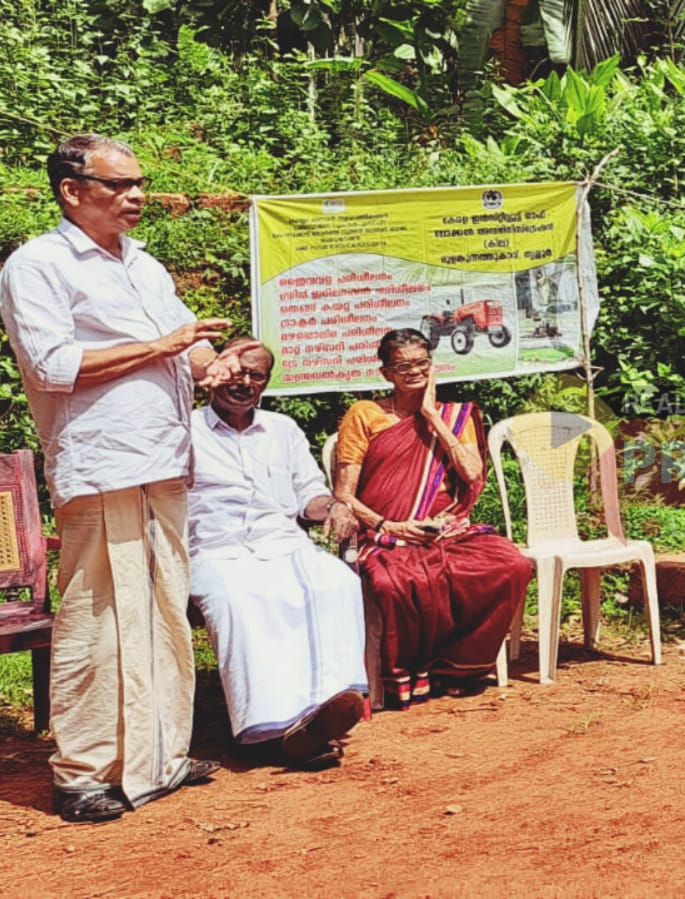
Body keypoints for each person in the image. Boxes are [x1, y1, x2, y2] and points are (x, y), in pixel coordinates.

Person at [0, 135, 253, 823]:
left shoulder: (142, 263)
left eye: (140, 182)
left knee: (164, 605)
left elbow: (185, 340)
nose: (137, 195)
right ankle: (84, 772)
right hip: (102, 460)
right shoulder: (39, 265)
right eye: (119, 184)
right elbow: (51, 364)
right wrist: (162, 347)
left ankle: (159, 755)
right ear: (71, 190)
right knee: (99, 614)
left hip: (164, 459)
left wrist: (210, 363)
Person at [188, 340, 368, 766]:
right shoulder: (184, 429)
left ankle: (324, 707)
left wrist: (334, 507)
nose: (244, 382)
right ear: (217, 372)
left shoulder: (282, 429)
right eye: (237, 372)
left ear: (266, 383)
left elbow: (308, 492)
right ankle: (265, 730)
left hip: (281, 543)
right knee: (239, 599)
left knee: (335, 581)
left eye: (256, 375)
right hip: (215, 549)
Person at [332, 329, 532, 706]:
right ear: (386, 373)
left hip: (445, 529)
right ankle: (404, 675)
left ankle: (459, 668)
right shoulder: (365, 414)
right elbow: (343, 494)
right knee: (394, 582)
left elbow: (472, 473)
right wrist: (390, 525)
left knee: (510, 565)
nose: (414, 372)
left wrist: (431, 416)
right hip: (385, 532)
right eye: (403, 366)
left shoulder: (453, 416)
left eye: (421, 363)